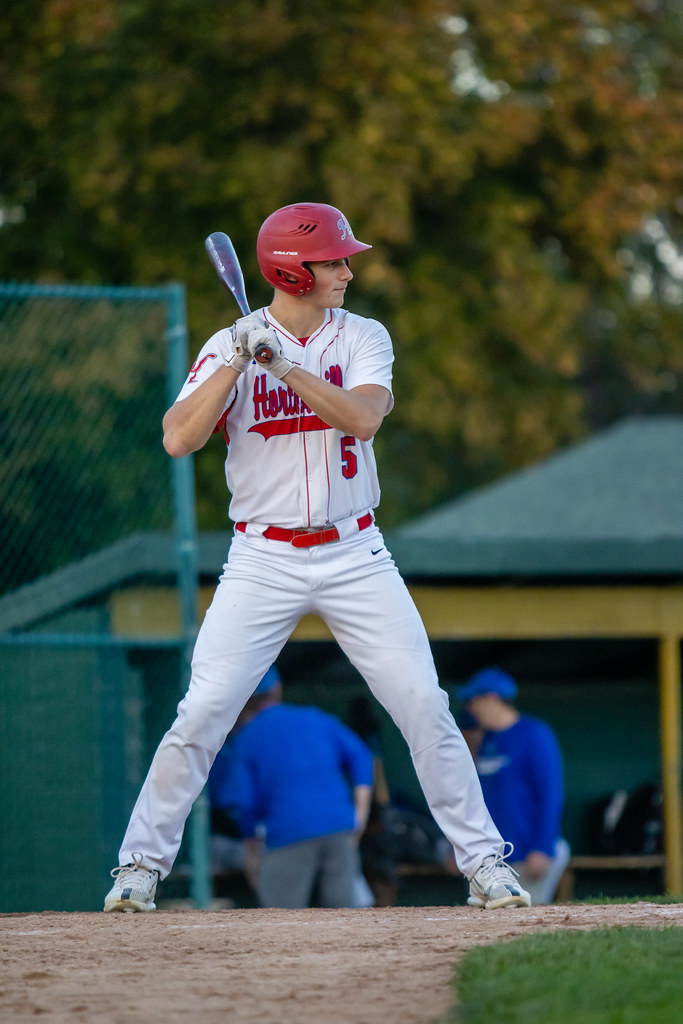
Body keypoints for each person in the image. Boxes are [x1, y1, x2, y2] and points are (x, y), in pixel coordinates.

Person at [104, 201, 530, 913]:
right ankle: (138, 869)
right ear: (288, 271)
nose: (345, 270)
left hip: (355, 551)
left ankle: (485, 864)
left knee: (424, 704)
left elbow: (362, 418)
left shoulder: (362, 335)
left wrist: (289, 367)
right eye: (332, 260)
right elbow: (179, 438)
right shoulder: (230, 343)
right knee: (203, 710)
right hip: (261, 558)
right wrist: (237, 360)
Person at [209, 664, 374, 908]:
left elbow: (244, 803)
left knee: (281, 920)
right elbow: (362, 755)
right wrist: (360, 814)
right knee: (344, 916)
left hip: (288, 833)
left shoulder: (246, 737)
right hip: (339, 826)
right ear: (277, 689)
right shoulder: (316, 718)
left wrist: (252, 851)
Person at [457, 666, 570, 905]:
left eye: (474, 701)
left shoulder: (534, 734)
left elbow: (550, 794)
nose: (471, 709)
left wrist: (543, 847)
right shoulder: (486, 740)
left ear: (492, 698)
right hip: (493, 858)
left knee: (523, 918)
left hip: (528, 853)